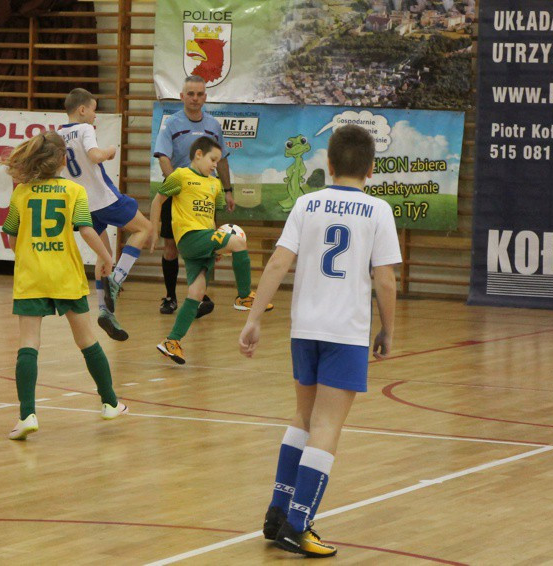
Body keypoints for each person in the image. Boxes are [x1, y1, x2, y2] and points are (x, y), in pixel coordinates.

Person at [238, 125, 401, 557]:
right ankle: (299, 522)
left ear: (328, 165)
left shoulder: (307, 203)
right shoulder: (378, 210)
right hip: (344, 332)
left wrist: (255, 317)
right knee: (327, 426)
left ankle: (277, 512)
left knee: (303, 417)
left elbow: (278, 263)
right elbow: (385, 279)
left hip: (303, 328)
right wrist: (388, 329)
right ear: (370, 168)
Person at [0, 132, 128, 441]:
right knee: (85, 340)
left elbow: (12, 239)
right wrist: (106, 255)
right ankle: (110, 402)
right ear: (62, 160)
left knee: (29, 343)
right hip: (65, 275)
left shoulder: (21, 193)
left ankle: (27, 414)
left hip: (31, 276)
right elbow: (85, 229)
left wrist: (29, 254)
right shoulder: (74, 191)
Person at [151, 136, 269, 365]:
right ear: (198, 155)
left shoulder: (214, 184)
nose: (216, 164)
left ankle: (171, 341)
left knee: (197, 292)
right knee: (238, 241)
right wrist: (154, 231)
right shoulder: (181, 176)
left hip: (204, 238)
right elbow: (158, 201)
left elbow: (210, 219)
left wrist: (216, 244)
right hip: (188, 237)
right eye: (213, 159)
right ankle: (244, 297)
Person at [59, 88, 155, 341]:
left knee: (104, 256)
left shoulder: (58, 135)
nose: (95, 115)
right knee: (144, 228)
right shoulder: (85, 130)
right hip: (103, 198)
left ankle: (104, 311)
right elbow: (94, 155)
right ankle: (118, 279)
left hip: (81, 205)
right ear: (82, 110)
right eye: (93, 109)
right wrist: (110, 151)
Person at [153, 75, 236, 317]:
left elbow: (222, 161)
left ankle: (198, 297)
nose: (195, 98)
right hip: (178, 196)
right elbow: (163, 157)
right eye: (190, 94)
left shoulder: (213, 126)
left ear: (205, 97)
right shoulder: (171, 125)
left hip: (204, 197)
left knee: (204, 246)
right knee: (170, 247)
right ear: (182, 96)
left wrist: (228, 190)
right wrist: (175, 187)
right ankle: (170, 297)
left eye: (200, 94)